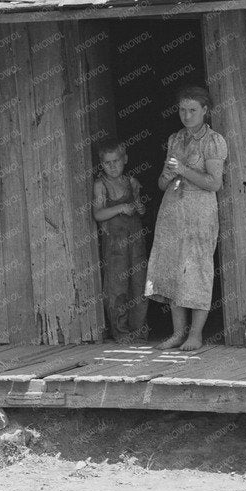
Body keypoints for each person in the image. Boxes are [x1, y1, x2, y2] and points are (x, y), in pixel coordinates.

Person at [145, 85, 227, 352]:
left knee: (198, 269)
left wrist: (182, 169)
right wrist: (167, 177)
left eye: (193, 110)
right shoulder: (175, 139)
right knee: (172, 269)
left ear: (205, 111)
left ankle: (196, 335)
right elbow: (161, 183)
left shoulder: (214, 141)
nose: (187, 115)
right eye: (182, 110)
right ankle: (177, 333)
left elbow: (214, 183)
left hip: (199, 212)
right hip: (172, 211)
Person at [92, 139, 148, 342]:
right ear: (101, 164)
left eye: (116, 161)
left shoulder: (131, 182)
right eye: (107, 163)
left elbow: (140, 209)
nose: (112, 166)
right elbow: (98, 214)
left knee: (139, 284)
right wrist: (120, 208)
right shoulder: (101, 185)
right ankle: (121, 331)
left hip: (136, 241)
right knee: (117, 286)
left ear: (125, 159)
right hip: (115, 245)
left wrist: (141, 209)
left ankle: (139, 330)